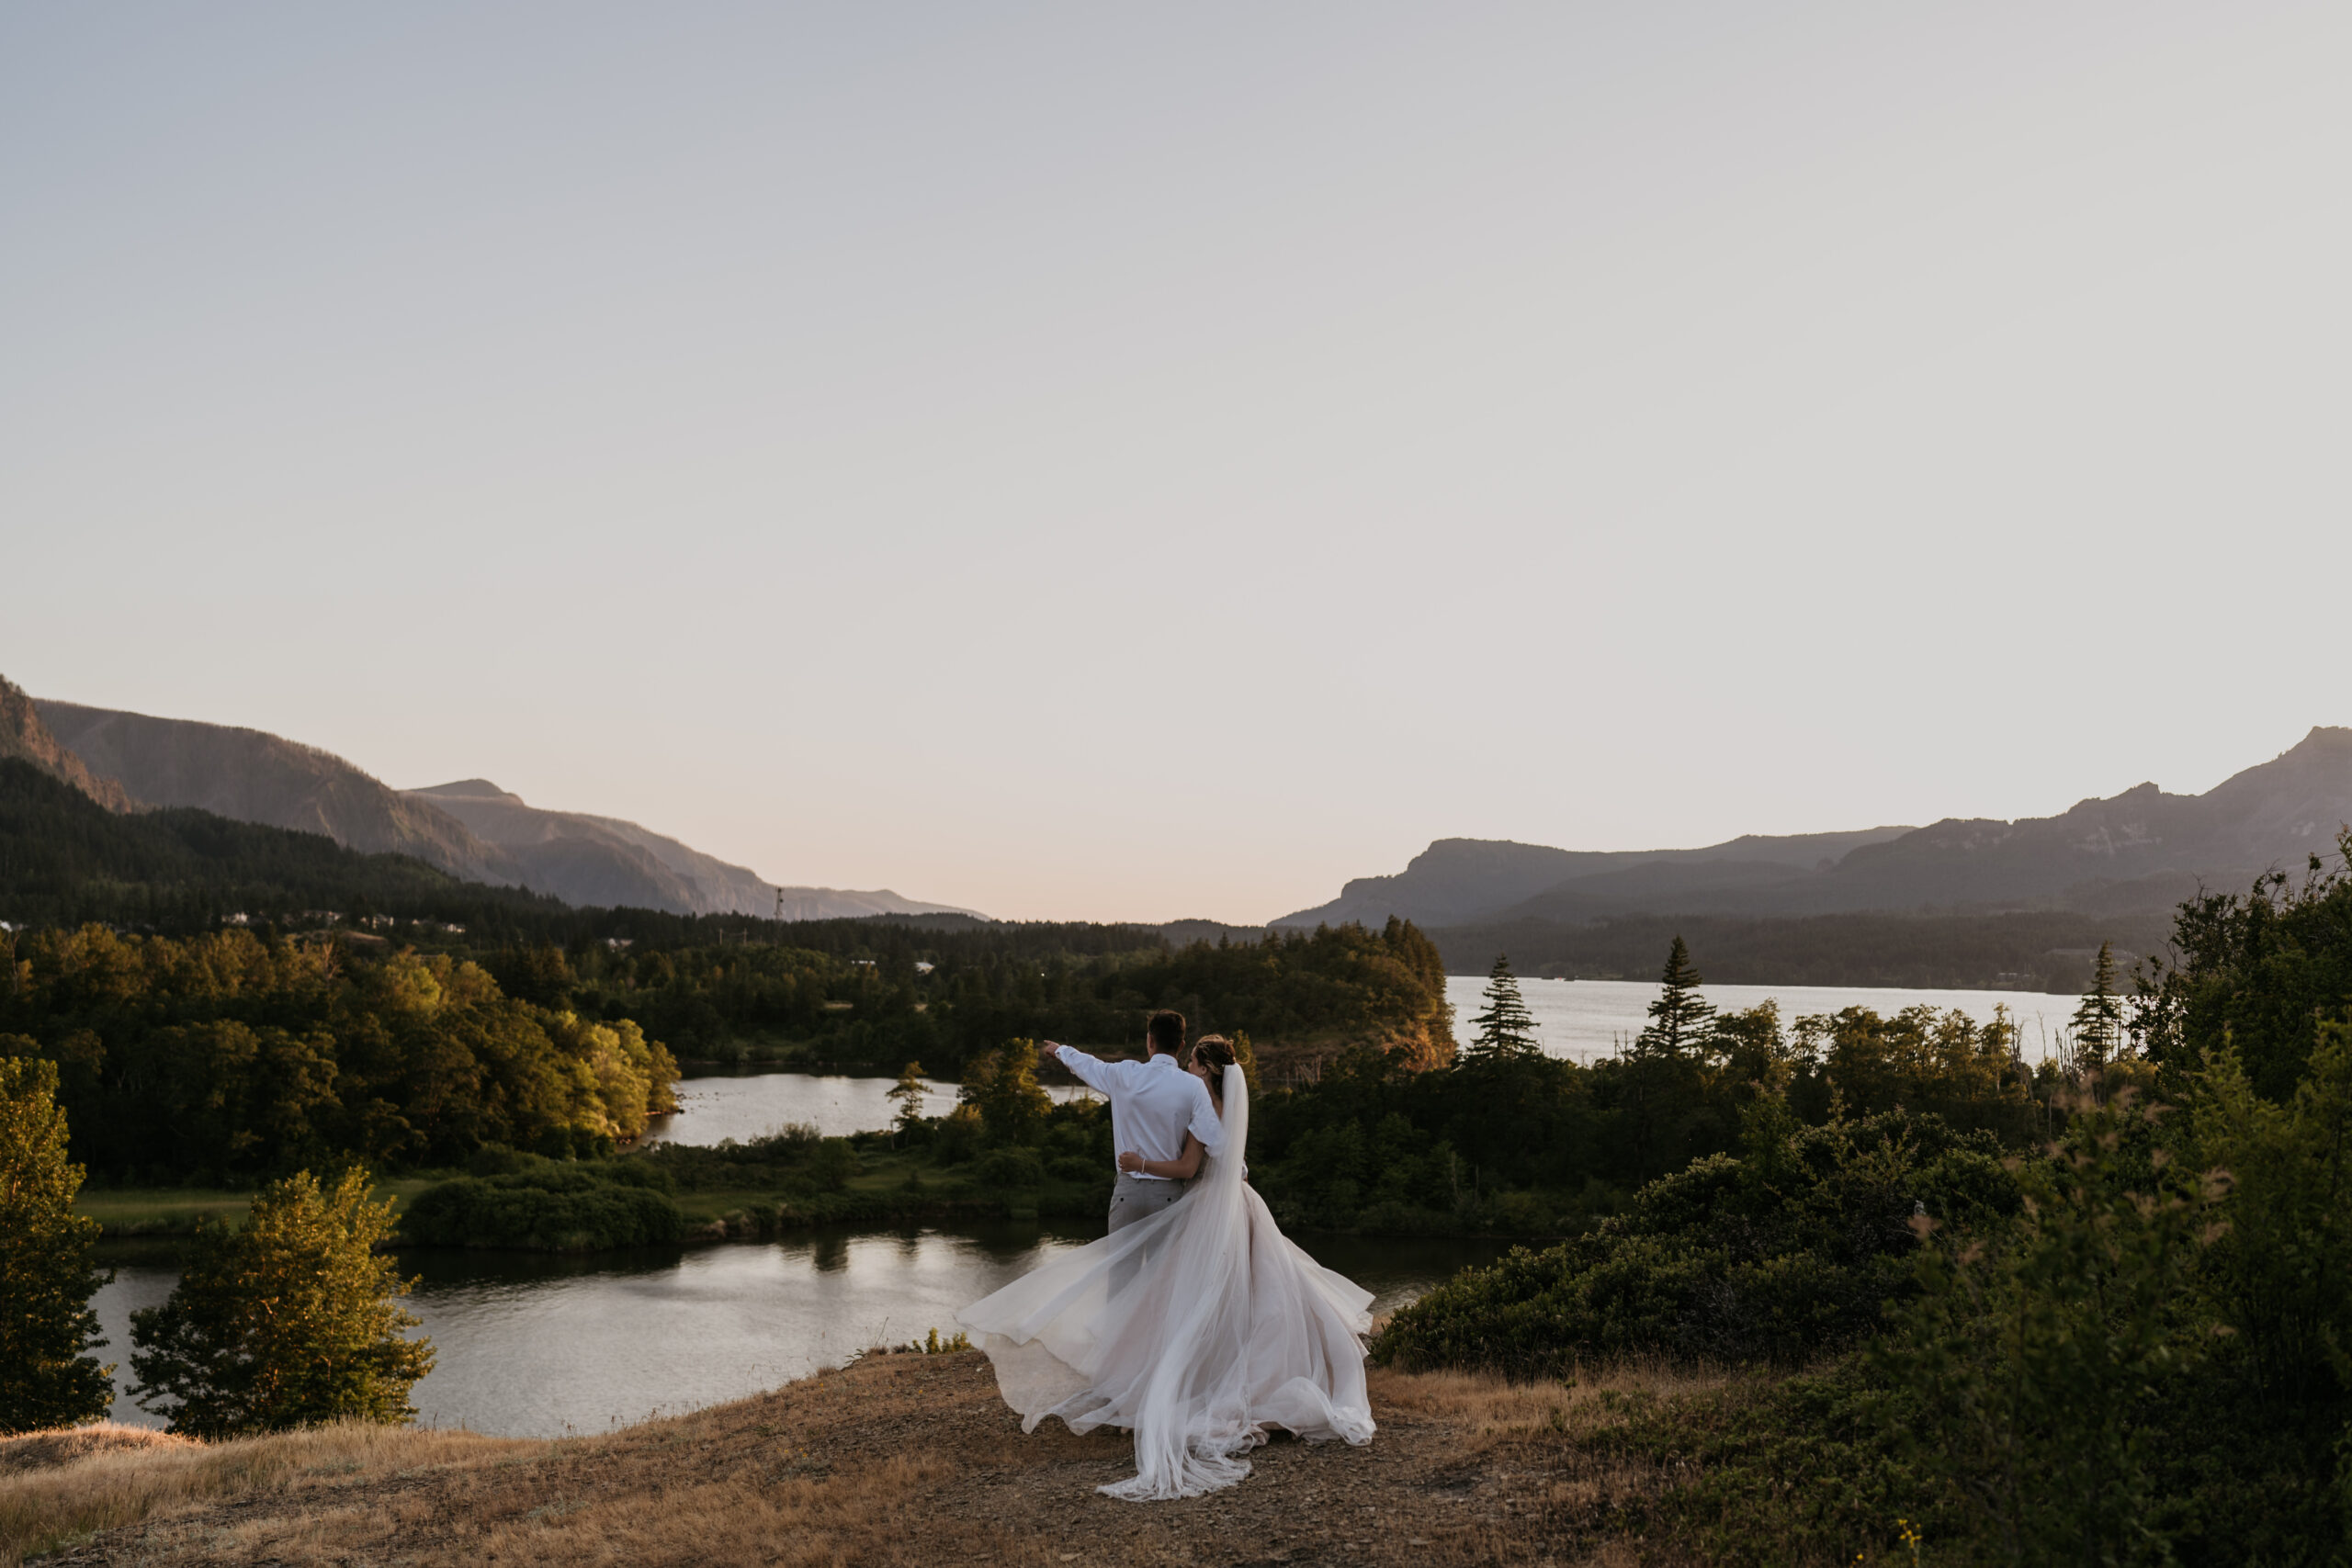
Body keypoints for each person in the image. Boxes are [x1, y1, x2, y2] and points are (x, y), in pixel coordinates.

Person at [956, 1032, 1376, 1501]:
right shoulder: (1228, 1106)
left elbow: (1187, 1168)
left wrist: (1140, 1161)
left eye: (1194, 1060)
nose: (1189, 1066)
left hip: (1208, 1208)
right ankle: (1262, 1372)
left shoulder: (1198, 1102)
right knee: (1256, 1292)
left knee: (1187, 1298)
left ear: (1202, 1067)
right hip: (1242, 1204)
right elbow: (1233, 1165)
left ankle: (1169, 1381)